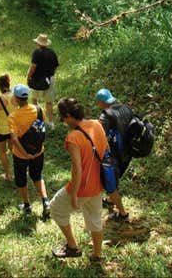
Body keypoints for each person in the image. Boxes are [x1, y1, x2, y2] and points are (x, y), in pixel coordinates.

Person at [50, 97, 108, 261]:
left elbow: (77, 168)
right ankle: (97, 255)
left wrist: (74, 194)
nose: (64, 122)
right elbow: (105, 150)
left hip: (81, 187)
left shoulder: (73, 137)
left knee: (56, 208)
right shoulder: (97, 124)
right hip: (98, 184)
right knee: (95, 218)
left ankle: (72, 246)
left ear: (69, 116)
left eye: (63, 119)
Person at [8, 84, 50, 218]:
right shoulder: (38, 109)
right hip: (38, 151)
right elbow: (42, 127)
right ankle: (45, 201)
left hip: (20, 155)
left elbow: (14, 139)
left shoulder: (13, 117)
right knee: (37, 176)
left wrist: (25, 154)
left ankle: (27, 205)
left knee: (21, 179)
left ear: (16, 98)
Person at [95, 88, 132, 221]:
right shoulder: (126, 108)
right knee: (115, 178)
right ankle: (111, 200)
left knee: (110, 186)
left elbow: (99, 136)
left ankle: (122, 214)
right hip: (128, 153)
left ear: (101, 102)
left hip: (113, 156)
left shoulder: (105, 116)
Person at [27, 34, 59, 129]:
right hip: (49, 79)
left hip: (37, 79)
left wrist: (28, 77)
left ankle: (37, 120)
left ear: (38, 43)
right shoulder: (52, 53)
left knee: (34, 99)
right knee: (49, 102)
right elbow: (55, 66)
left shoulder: (36, 53)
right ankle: (51, 122)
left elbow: (33, 67)